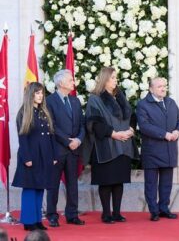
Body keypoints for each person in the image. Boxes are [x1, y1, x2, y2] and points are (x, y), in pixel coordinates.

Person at [83, 67, 139, 224]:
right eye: (113, 77)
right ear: (105, 79)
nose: (116, 80)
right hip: (106, 145)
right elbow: (93, 122)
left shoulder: (120, 96)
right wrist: (113, 134)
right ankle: (106, 213)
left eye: (116, 77)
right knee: (106, 181)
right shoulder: (95, 98)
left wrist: (131, 129)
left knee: (119, 180)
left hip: (123, 146)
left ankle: (117, 213)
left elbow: (132, 115)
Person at [136, 77, 179, 221]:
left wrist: (177, 131)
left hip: (169, 150)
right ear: (151, 89)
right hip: (152, 150)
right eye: (159, 86)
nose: (163, 89)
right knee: (151, 183)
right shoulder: (143, 105)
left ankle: (164, 208)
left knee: (166, 182)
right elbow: (144, 126)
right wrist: (164, 134)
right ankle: (154, 210)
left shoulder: (171, 102)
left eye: (165, 86)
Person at [12, 82, 58, 231]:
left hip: (44, 156)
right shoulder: (25, 112)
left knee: (40, 188)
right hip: (31, 156)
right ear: (31, 94)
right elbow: (23, 137)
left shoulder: (43, 111)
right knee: (30, 189)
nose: (40, 96)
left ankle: (37, 220)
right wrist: (26, 158)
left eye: (41, 93)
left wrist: (54, 154)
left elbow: (51, 135)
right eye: (37, 93)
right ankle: (28, 221)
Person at [46, 69, 86, 227]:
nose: (73, 83)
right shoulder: (49, 101)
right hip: (57, 149)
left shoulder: (75, 101)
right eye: (70, 80)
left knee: (72, 184)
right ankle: (52, 215)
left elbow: (82, 124)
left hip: (74, 150)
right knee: (53, 184)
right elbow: (51, 125)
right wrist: (67, 141)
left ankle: (72, 214)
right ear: (61, 83)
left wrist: (78, 139)